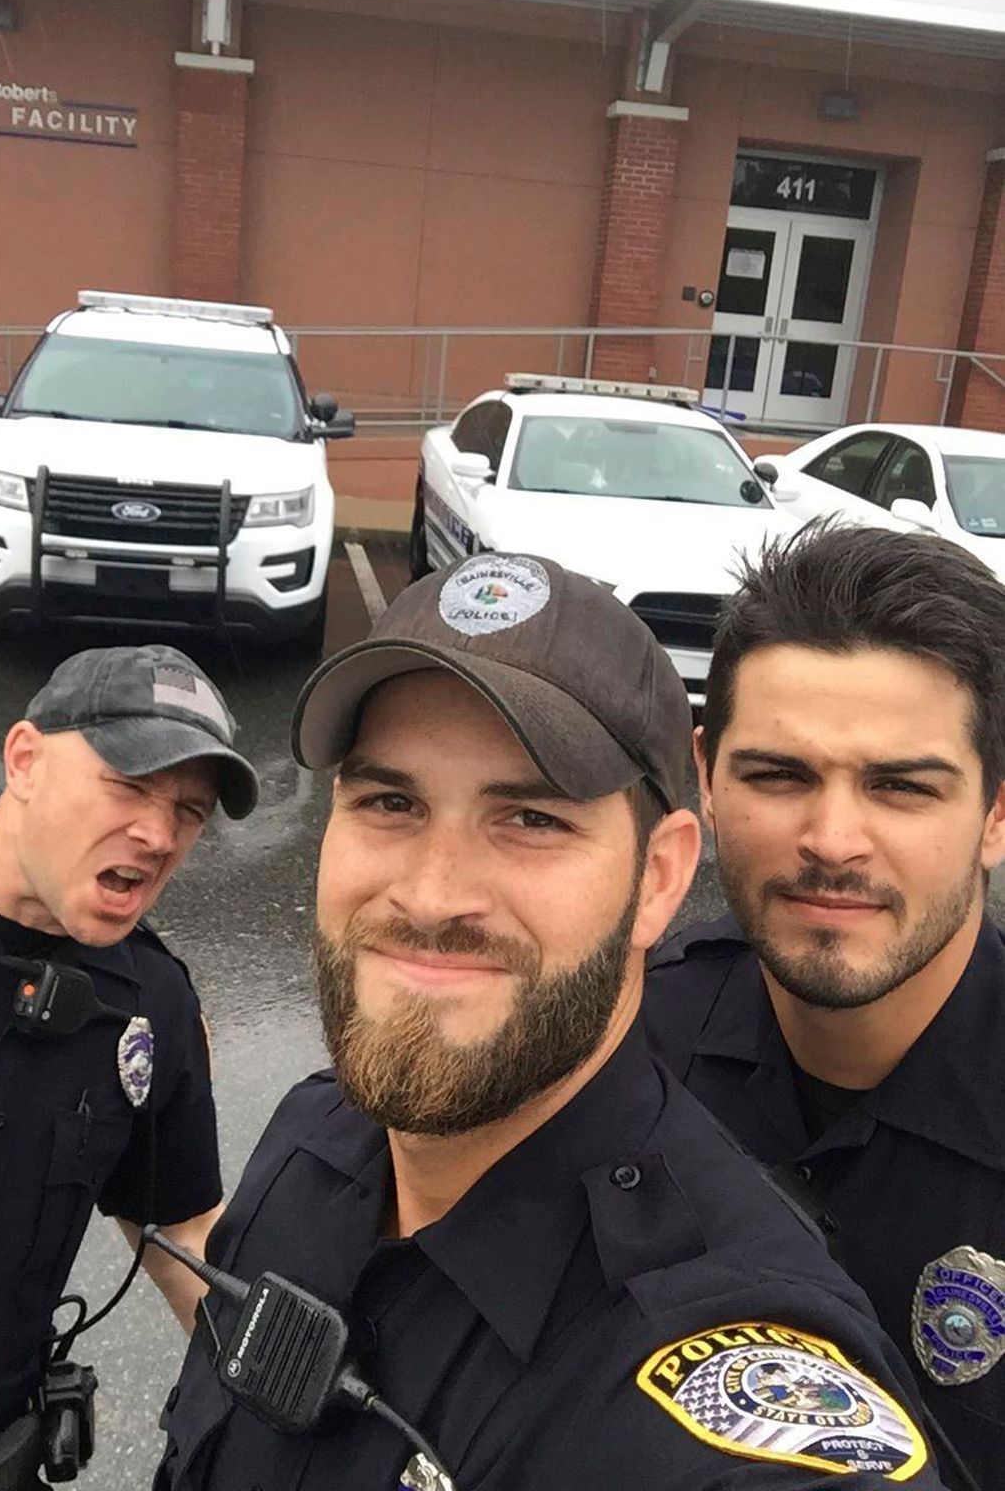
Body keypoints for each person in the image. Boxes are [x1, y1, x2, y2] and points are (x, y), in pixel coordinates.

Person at [156, 553, 951, 1490]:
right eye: (391, 801)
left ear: (657, 879)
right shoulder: (310, 1137)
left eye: (531, 819)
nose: (431, 892)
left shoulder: (732, 1380)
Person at [644, 521, 1005, 1490]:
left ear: (998, 813)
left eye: (900, 786)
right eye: (780, 773)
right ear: (707, 777)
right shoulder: (616, 1046)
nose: (833, 838)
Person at [0, 643, 258, 1491]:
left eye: (188, 812)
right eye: (129, 787)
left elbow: (182, 1236)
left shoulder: (152, 1003)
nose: (158, 836)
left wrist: (290, 1424)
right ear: (24, 760)